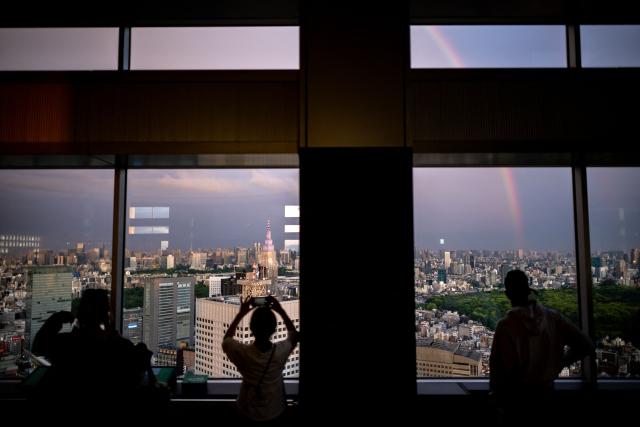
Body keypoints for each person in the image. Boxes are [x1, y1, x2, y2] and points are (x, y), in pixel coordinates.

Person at [489, 269, 594, 423]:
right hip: (547, 396)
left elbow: (498, 373)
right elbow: (586, 345)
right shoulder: (553, 318)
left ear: (508, 294)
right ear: (529, 291)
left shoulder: (505, 326)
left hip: (517, 403)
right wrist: (560, 363)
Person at [31, 289, 154, 405]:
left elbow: (38, 345)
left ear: (80, 314)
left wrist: (57, 319)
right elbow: (140, 367)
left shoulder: (67, 344)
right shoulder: (118, 346)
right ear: (106, 315)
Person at [222, 295, 300, 424]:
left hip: (247, 409)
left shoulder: (244, 353)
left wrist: (241, 313)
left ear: (251, 328)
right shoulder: (280, 352)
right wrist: (280, 310)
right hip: (275, 410)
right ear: (275, 329)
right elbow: (294, 336)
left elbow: (226, 341)